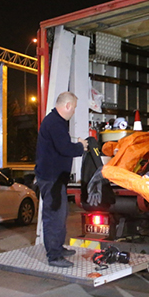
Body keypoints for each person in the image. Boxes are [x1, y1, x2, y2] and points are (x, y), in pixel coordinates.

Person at [35, 91, 88, 267]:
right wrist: (80, 146)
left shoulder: (55, 122)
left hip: (55, 179)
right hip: (52, 179)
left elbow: (61, 146)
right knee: (54, 217)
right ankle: (54, 256)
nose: (73, 111)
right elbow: (64, 148)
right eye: (74, 108)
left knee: (61, 214)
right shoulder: (55, 123)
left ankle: (58, 248)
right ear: (67, 105)